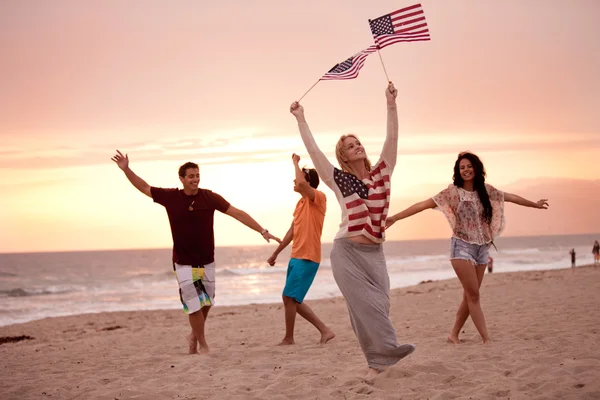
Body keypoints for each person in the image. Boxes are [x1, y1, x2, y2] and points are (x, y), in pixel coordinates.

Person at [290, 82, 415, 381]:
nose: (356, 146)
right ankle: (388, 349)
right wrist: (301, 118)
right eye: (349, 145)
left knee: (377, 308)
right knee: (365, 306)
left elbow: (393, 138)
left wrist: (390, 103)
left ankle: (375, 363)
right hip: (346, 252)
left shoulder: (382, 172)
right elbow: (315, 152)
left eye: (357, 142)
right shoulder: (338, 179)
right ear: (343, 156)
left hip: (375, 252)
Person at [111, 150, 281, 355]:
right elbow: (144, 187)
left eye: (197, 175)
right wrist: (126, 169)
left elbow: (237, 213)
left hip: (206, 260)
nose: (195, 179)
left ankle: (193, 335)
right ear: (182, 179)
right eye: (191, 176)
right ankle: (203, 344)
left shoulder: (209, 197)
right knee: (193, 304)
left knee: (207, 302)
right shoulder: (171, 197)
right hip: (183, 262)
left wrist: (262, 231)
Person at [386, 151, 549, 345]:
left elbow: (511, 197)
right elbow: (422, 204)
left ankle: (453, 335)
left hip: (482, 248)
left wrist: (535, 205)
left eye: (469, 166)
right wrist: (395, 218)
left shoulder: (486, 191)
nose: (466, 170)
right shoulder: (452, 193)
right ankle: (486, 339)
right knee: (474, 295)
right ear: (458, 171)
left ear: (476, 168)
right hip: (461, 247)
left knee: (469, 295)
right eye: (462, 167)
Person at [267, 153, 335, 346]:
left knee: (290, 297)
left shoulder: (318, 198)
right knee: (290, 298)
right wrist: (276, 253)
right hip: (296, 255)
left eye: (299, 178)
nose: (294, 181)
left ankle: (290, 338)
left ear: (307, 181)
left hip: (308, 256)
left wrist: (295, 163)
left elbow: (304, 185)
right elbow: (292, 231)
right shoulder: (300, 203)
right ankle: (323, 331)